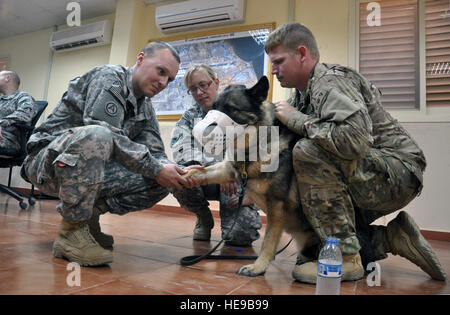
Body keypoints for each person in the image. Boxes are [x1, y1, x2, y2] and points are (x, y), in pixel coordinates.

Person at [264, 22, 446, 283]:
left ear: (302, 54)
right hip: (375, 172)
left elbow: (354, 140)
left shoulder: (329, 81)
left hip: (397, 171)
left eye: (279, 61)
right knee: (308, 211)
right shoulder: (302, 95)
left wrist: (296, 120)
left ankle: (347, 260)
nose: (273, 70)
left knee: (308, 151)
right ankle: (392, 238)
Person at [22, 42, 204, 267]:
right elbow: (104, 132)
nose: (163, 83)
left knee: (163, 180)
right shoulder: (109, 78)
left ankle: (87, 220)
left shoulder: (144, 108)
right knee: (99, 134)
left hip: (85, 169)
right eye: (161, 71)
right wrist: (156, 168)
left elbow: (156, 153)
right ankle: (71, 232)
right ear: (140, 59)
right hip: (46, 164)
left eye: (170, 79)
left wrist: (177, 171)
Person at [171, 64, 261, 246]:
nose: (199, 92)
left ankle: (234, 222)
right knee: (178, 176)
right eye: (193, 89)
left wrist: (232, 171)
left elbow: (261, 154)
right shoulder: (189, 118)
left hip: (235, 184)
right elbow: (183, 151)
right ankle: (203, 216)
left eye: (203, 85)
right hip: (205, 179)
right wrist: (218, 172)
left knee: (240, 237)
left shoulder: (240, 108)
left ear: (216, 83)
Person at [0, 70, 36, 154]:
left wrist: (1, 123)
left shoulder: (23, 97)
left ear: (7, 78)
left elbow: (24, 114)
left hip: (9, 140)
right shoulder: (1, 100)